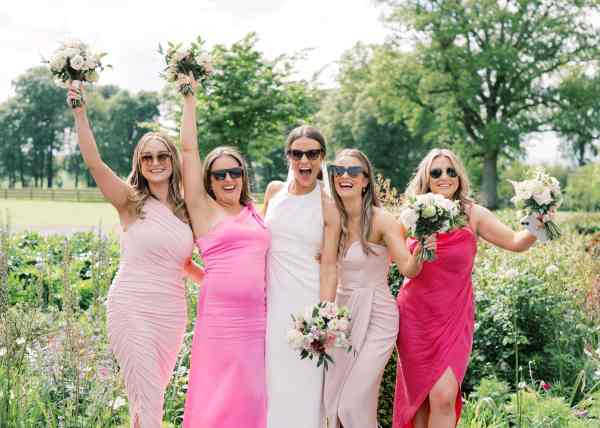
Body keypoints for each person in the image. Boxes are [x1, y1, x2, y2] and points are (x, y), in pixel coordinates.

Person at [67, 85, 201, 428]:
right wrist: (80, 112)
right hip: (131, 307)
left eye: (162, 156)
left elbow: (184, 264)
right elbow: (94, 164)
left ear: (172, 160)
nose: (156, 163)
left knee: (148, 400)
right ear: (139, 165)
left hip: (170, 314)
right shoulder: (129, 201)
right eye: (148, 157)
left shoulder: (188, 211)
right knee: (149, 397)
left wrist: (222, 283)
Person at [393, 148, 547, 428]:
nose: (444, 177)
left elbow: (515, 241)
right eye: (436, 172)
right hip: (414, 317)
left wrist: (538, 220)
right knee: (420, 400)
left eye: (450, 171)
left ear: (459, 177)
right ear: (426, 177)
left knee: (443, 395)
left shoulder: (473, 214)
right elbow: (392, 258)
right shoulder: (410, 214)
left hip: (454, 318)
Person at [180, 78, 270, 428]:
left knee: (252, 396)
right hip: (220, 321)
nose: (228, 179)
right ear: (210, 180)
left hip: (258, 321)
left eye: (235, 172)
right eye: (220, 175)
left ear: (244, 176)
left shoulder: (255, 211)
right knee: (216, 396)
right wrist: (190, 97)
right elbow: (188, 152)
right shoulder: (204, 210)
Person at [323, 149, 432, 428]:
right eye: (339, 171)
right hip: (340, 318)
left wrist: (421, 250)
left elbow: (408, 268)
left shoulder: (381, 220)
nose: (345, 176)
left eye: (354, 172)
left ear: (365, 180)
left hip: (377, 317)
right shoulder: (329, 219)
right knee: (333, 406)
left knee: (350, 405)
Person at [262, 125, 339, 428]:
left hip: (307, 306)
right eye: (297, 154)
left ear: (322, 158)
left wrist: (323, 317)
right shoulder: (273, 191)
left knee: (306, 383)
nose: (304, 160)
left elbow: (330, 265)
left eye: (312, 154)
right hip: (272, 304)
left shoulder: (328, 203)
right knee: (273, 381)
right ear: (288, 156)